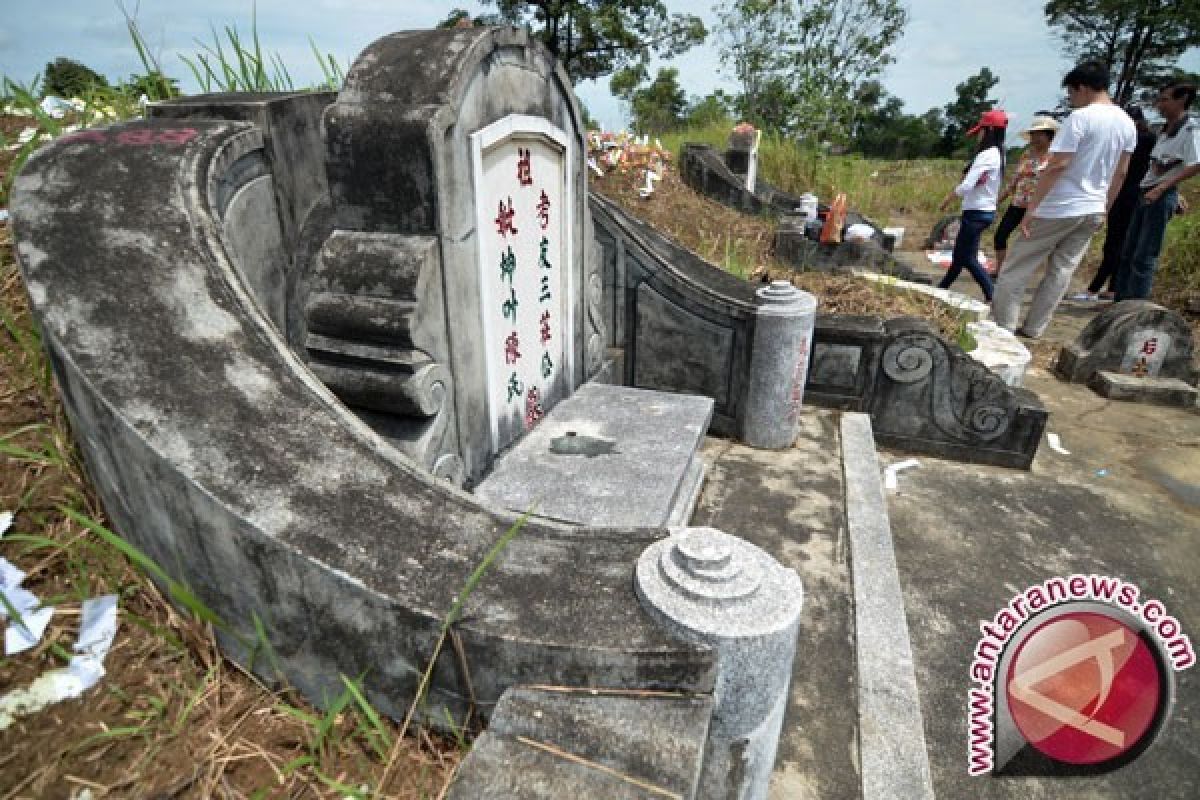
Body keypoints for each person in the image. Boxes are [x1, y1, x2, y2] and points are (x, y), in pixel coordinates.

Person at [991, 62, 1135, 338]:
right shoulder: (1126, 122)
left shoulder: (1081, 118)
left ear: (1081, 88)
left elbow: (1058, 165)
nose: (1071, 99)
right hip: (1093, 207)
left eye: (1071, 93)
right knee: (1061, 271)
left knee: (1016, 266)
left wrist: (1032, 209)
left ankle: (1003, 326)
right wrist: (1105, 208)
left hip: (1061, 204)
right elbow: (1122, 172)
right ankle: (1034, 328)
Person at [1113, 83, 1200, 301]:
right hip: (1146, 191)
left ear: (1181, 100)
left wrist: (1165, 188)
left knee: (1144, 256)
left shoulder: (1191, 129)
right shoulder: (1164, 128)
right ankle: (1119, 304)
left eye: (1165, 100)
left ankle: (1135, 308)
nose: (1159, 105)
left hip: (1159, 196)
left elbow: (1195, 164)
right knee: (1128, 252)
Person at [1071, 106, 1157, 301]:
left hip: (1124, 194)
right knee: (1122, 245)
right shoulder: (1150, 139)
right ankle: (1112, 288)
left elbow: (1120, 171)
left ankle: (1096, 289)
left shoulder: (1135, 140)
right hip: (1137, 194)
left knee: (1114, 244)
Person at [936, 108, 1008, 301]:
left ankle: (991, 294)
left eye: (981, 132)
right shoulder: (999, 154)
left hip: (976, 213)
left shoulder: (987, 155)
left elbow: (968, 184)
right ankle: (942, 287)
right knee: (961, 256)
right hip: (982, 212)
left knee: (966, 257)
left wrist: (947, 199)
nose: (978, 137)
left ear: (989, 131)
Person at [993, 115, 1059, 272]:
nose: (1034, 138)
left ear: (1049, 135)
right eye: (1033, 134)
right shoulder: (1026, 155)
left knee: (1032, 242)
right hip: (1017, 203)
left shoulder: (1055, 157)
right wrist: (998, 200)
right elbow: (1015, 181)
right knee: (1001, 235)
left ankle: (1030, 271)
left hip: (1039, 207)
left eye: (1038, 134)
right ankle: (1000, 268)